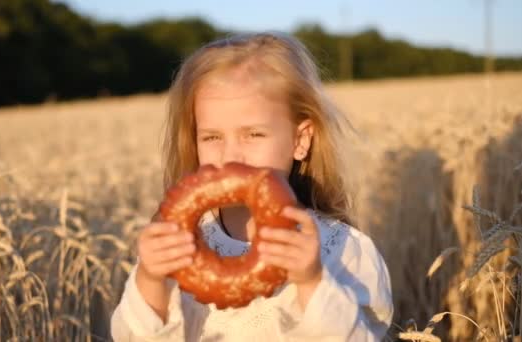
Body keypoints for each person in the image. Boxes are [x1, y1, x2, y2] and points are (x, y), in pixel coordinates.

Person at [111, 32, 393, 341]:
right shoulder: (177, 245)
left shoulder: (345, 252)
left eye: (254, 135)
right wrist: (152, 281)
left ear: (300, 140)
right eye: (212, 137)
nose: (231, 155)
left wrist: (312, 282)